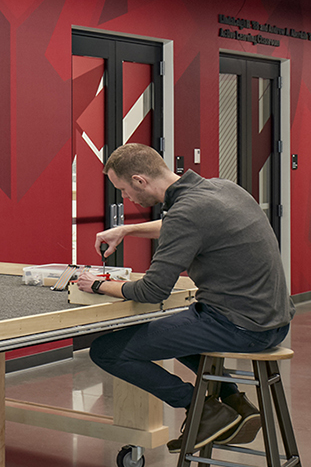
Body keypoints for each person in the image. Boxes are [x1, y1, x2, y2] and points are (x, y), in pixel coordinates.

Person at [78, 143, 292, 451]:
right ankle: (233, 401)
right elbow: (178, 226)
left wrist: (97, 284)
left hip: (241, 328)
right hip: (275, 322)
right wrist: (126, 231)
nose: (127, 198)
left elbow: (152, 291)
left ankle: (202, 408)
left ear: (140, 181)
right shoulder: (222, 189)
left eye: (124, 190)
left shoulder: (186, 213)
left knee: (106, 351)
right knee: (177, 329)